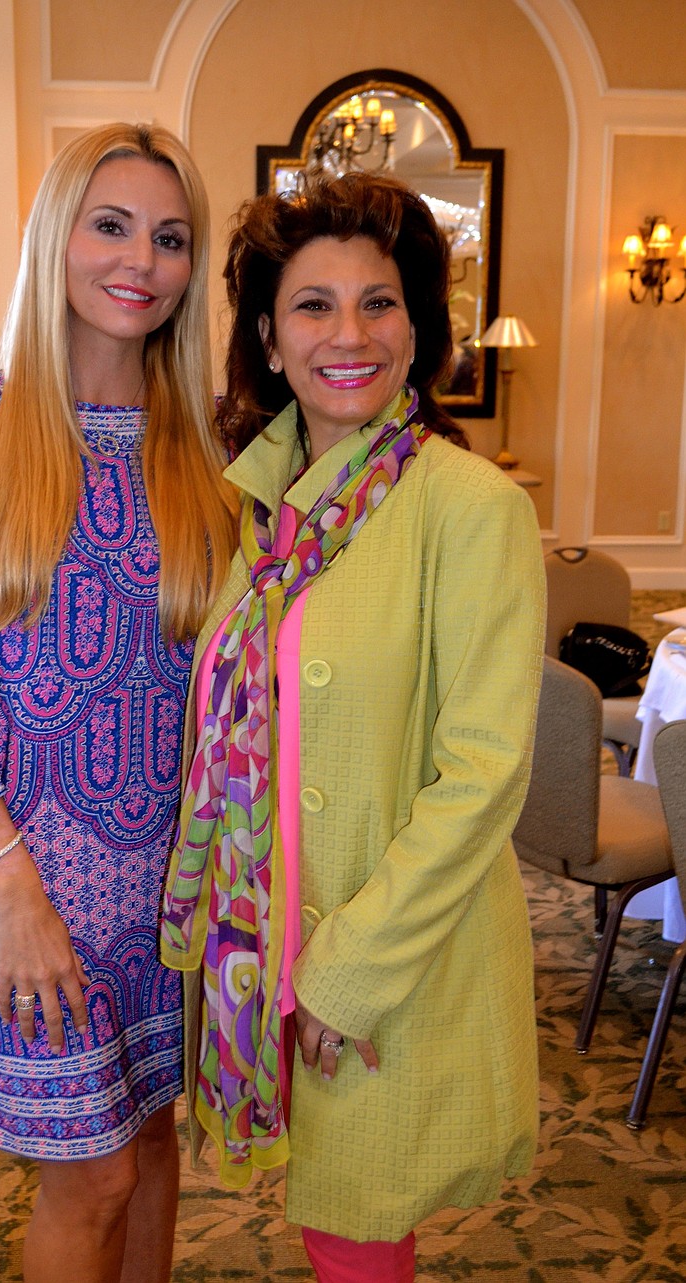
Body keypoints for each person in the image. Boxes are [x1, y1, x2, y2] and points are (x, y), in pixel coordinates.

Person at [160, 172, 545, 1283]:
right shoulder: (265, 509)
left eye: (379, 303)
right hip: (268, 925)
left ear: (417, 328)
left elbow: (481, 775)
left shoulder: (469, 505)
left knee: (362, 1233)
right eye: (312, 305)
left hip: (378, 952)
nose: (350, 333)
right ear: (270, 343)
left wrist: (345, 971)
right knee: (335, 1225)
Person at [0, 123, 235, 1283]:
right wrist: (16, 894)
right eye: (111, 224)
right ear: (57, 238)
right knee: (86, 1173)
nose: (141, 259)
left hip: (172, 876)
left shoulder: (207, 450)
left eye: (171, 236)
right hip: (22, 871)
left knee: (147, 1138)